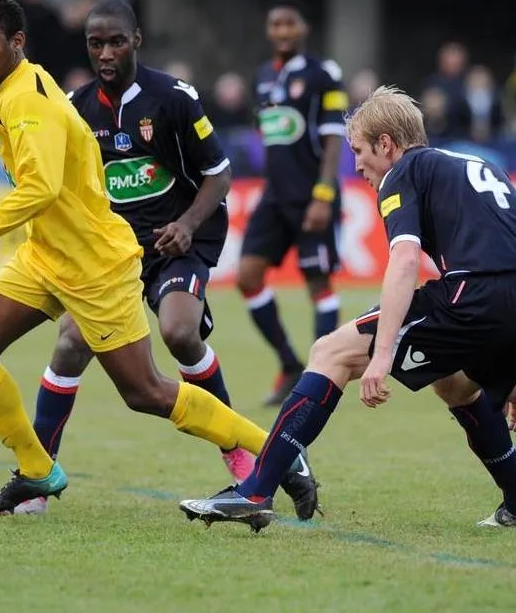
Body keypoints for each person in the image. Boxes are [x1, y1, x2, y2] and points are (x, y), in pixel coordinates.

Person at [0, 0, 319, 519]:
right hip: (46, 255)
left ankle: (282, 455)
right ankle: (37, 470)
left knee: (147, 391)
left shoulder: (31, 101)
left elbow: (41, 188)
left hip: (95, 264)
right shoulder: (39, 92)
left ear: (17, 43)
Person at [179, 86, 516, 531]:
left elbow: (405, 261)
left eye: (359, 151)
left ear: (386, 145)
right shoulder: (477, 164)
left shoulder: (404, 172)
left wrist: (380, 356)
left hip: (471, 296)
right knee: (453, 384)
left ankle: (255, 491)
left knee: (331, 352)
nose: (356, 165)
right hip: (501, 300)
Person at [238, 0, 348, 407]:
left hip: (311, 196)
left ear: (303, 29)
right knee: (248, 276)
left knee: (317, 282)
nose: (282, 32)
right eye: (275, 25)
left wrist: (324, 193)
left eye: (289, 24)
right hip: (274, 196)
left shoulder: (323, 74)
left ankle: (320, 378)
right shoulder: (263, 75)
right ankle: (288, 364)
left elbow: (334, 137)